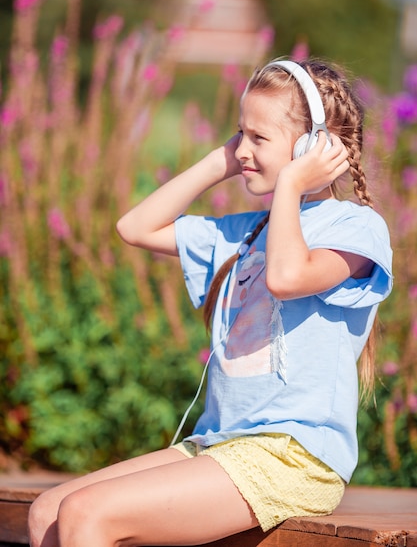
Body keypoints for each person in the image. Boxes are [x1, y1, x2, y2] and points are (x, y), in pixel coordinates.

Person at [28, 58, 393, 547]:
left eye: (258, 139)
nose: (243, 149)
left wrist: (289, 183)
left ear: (313, 148)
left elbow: (287, 277)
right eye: (239, 133)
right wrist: (223, 159)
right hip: (219, 445)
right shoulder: (246, 233)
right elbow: (135, 228)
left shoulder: (355, 229)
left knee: (87, 515)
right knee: (47, 511)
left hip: (293, 456)